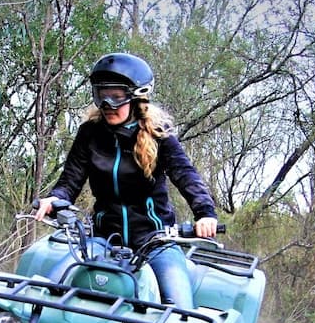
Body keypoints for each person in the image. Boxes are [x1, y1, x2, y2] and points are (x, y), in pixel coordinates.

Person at [34, 52, 218, 309]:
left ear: (136, 96)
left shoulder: (159, 135)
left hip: (155, 241)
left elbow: (185, 174)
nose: (108, 104)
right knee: (49, 287)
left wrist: (205, 213)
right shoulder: (90, 133)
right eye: (102, 95)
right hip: (101, 238)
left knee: (180, 309)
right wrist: (55, 199)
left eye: (117, 96)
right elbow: (70, 180)